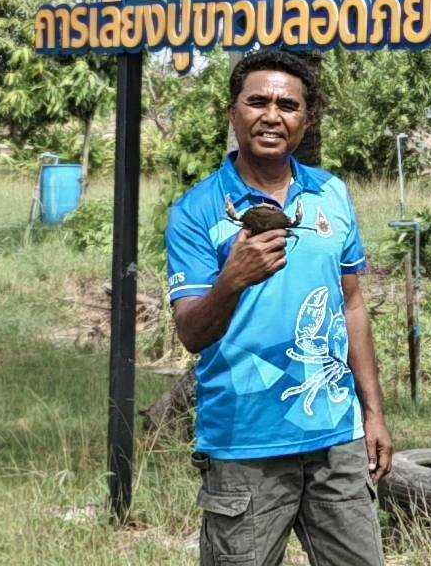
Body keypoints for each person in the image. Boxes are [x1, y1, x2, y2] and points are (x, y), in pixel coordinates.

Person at [166, 49, 392, 566]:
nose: (272, 115)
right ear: (233, 113)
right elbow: (191, 333)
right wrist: (232, 280)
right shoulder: (197, 211)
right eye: (257, 102)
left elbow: (352, 305)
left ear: (306, 121)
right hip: (245, 443)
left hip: (336, 439)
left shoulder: (332, 194)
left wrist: (374, 414)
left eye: (288, 105)